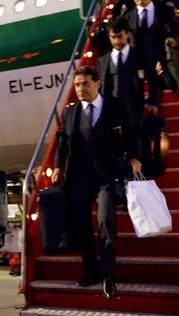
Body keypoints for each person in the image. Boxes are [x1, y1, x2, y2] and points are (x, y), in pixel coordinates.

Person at [52, 66, 142, 299]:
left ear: (98, 83)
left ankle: (108, 273)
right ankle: (90, 270)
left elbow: (131, 134)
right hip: (78, 178)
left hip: (106, 177)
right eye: (77, 85)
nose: (80, 89)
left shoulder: (115, 106)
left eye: (85, 84)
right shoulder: (70, 113)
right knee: (81, 227)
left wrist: (134, 157)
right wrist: (58, 166)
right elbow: (63, 142)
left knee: (105, 223)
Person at [98, 19, 153, 122]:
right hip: (112, 109)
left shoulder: (140, 55)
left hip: (135, 108)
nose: (117, 41)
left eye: (120, 36)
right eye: (113, 37)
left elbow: (153, 79)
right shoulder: (103, 61)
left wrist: (153, 102)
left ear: (127, 34)